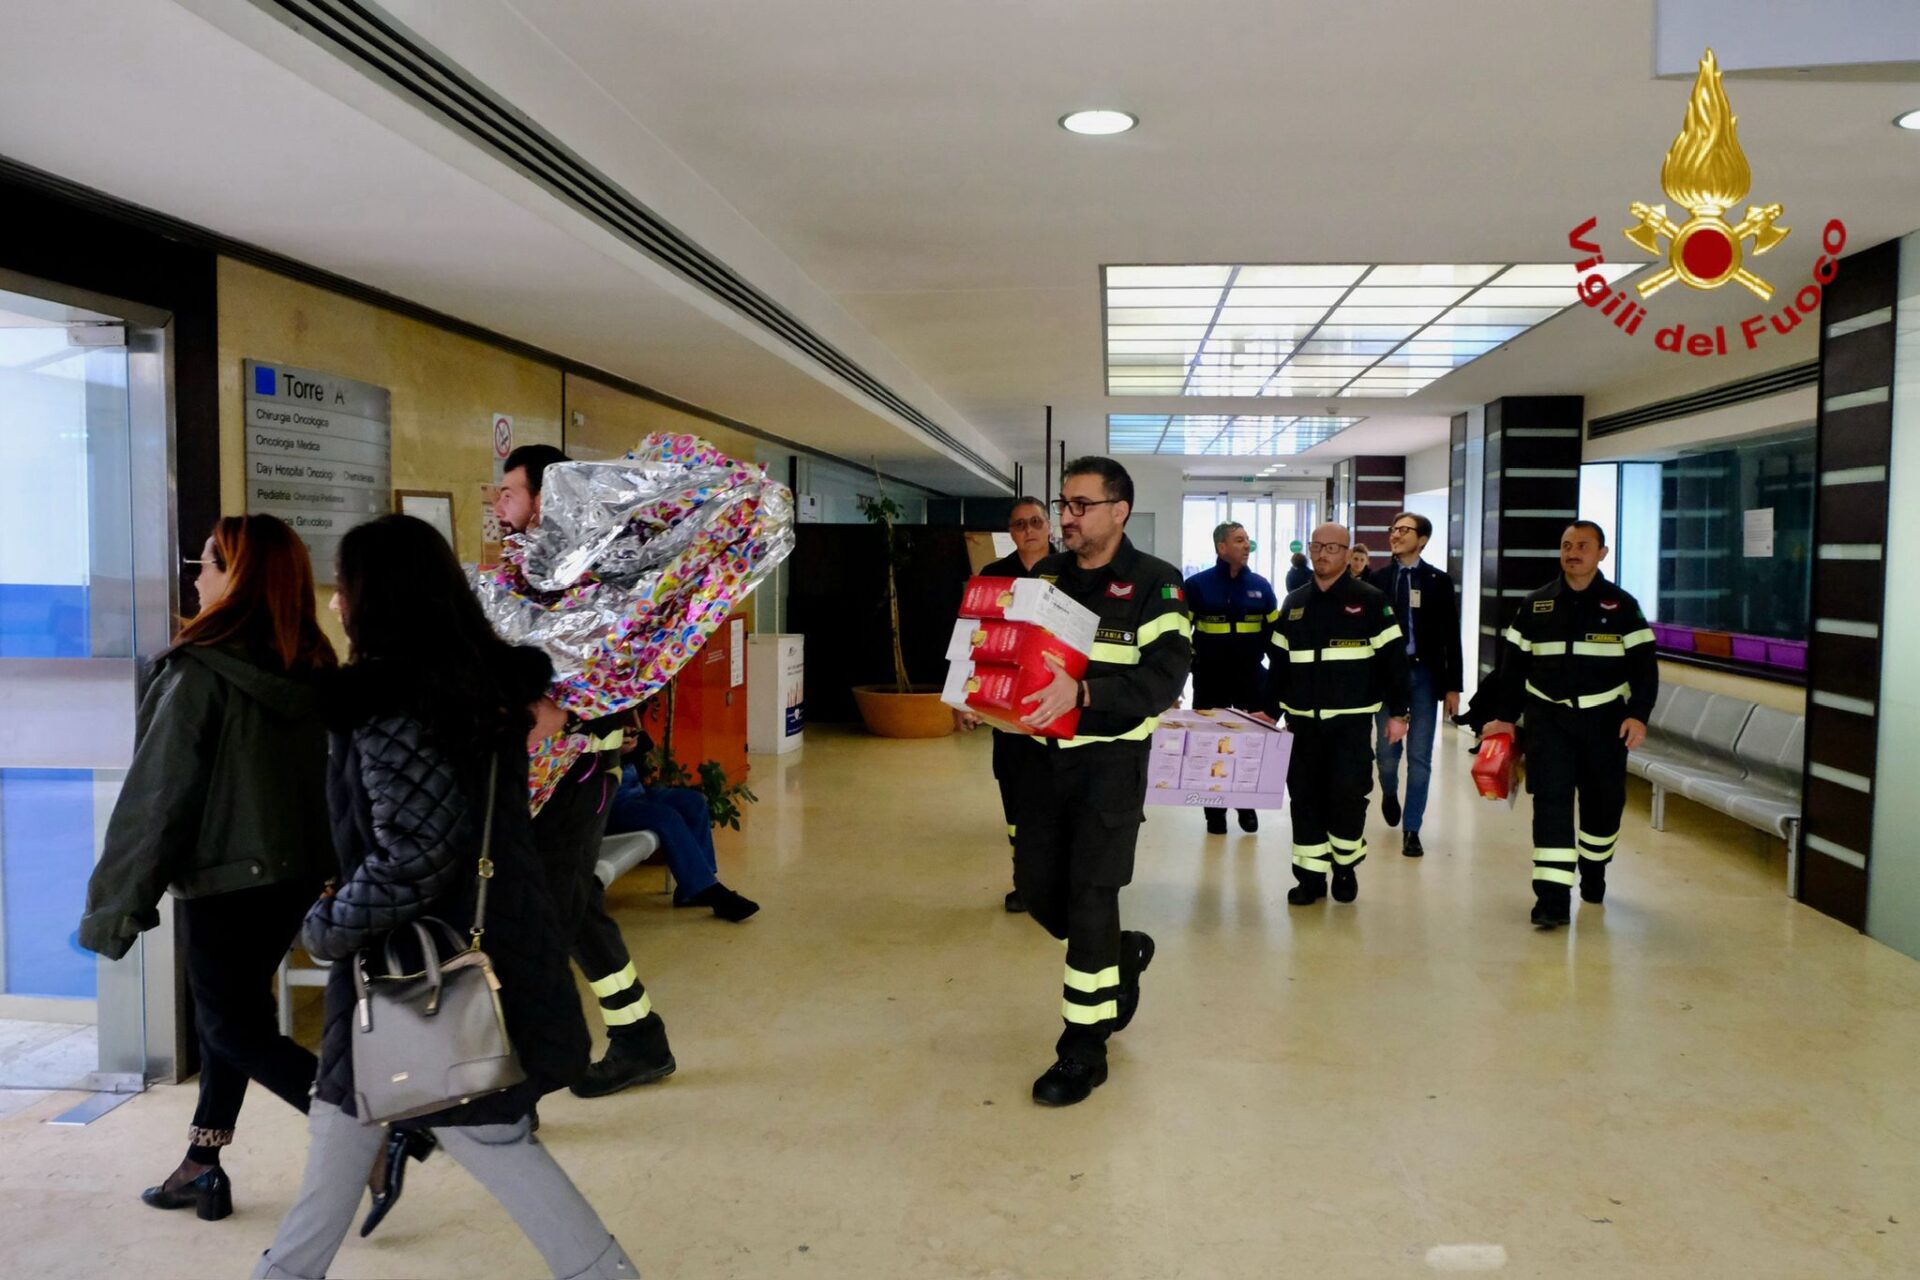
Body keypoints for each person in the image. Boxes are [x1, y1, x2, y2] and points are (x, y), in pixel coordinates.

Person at [250, 514, 634, 1280]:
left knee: (484, 1135)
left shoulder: (389, 701)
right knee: (343, 1119)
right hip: (451, 956)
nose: (335, 603)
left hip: (426, 970)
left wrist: (326, 925)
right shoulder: (482, 688)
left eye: (344, 585)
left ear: (377, 597)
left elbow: (416, 851)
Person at [78, 516, 336, 1222]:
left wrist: (113, 907)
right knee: (237, 1017)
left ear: (238, 578)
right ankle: (202, 1161)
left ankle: (363, 1126)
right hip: (293, 876)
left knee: (227, 1028)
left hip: (227, 877)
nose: (196, 576)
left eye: (208, 564)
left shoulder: (199, 672)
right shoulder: (312, 667)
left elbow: (157, 801)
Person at [1004, 456, 1191, 1107]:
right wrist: (983, 689)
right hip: (1040, 761)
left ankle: (1082, 1047)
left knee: (1089, 895)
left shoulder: (1155, 585)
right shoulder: (1046, 577)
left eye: (1081, 505)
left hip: (1109, 765)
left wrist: (1084, 690)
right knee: (1035, 889)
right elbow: (1015, 654)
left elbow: (1165, 682)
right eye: (1065, 504)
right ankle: (1121, 950)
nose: (1068, 517)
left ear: (1119, 511)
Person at [496, 444, 675, 1098]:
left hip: (580, 768)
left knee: (556, 907)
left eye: (509, 491)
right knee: (570, 905)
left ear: (545, 498)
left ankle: (621, 1040)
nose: (500, 504)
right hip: (541, 768)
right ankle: (638, 1035)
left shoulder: (591, 575)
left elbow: (613, 679)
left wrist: (568, 721)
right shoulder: (533, 570)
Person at [1478, 521, 1657, 929]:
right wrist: (1505, 718)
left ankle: (1594, 867)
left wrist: (1638, 714)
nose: (1572, 552)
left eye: (1582, 545)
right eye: (1566, 545)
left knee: (1604, 804)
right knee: (1551, 803)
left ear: (1602, 553)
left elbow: (1645, 668)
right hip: (1549, 720)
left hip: (1605, 722)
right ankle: (1553, 898)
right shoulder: (1536, 604)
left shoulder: (1622, 606)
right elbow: (1511, 669)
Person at [1263, 523, 1409, 906]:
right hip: (1302, 725)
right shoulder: (1294, 603)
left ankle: (1344, 867)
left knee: (1346, 796)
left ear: (1348, 554)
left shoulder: (1372, 601)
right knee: (1305, 799)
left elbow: (1394, 662)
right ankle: (1310, 878)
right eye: (1316, 546)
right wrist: (1266, 711)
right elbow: (1278, 665)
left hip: (1350, 724)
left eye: (1332, 547)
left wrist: (1400, 713)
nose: (1322, 553)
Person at [1366, 512, 1463, 858]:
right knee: (1387, 755)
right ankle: (1389, 792)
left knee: (1419, 756)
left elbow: (1451, 636)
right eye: (1393, 529)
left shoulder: (1437, 581)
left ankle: (1412, 828)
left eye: (1404, 530)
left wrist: (1454, 686)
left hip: (1424, 676)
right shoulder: (1377, 580)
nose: (1396, 535)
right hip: (1386, 677)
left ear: (1422, 539)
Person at [978, 496, 1053, 912]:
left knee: (1058, 797)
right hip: (1006, 701)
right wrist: (967, 699)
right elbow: (975, 635)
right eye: (1020, 524)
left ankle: (1059, 883)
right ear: (1011, 532)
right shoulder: (993, 575)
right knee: (1016, 800)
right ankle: (1025, 883)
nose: (1029, 530)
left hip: (1057, 699)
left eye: (1036, 522)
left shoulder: (1073, 572)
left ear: (1049, 527)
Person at [605, 726, 759, 921]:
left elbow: (645, 744)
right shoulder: (574, 720)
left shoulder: (609, 709)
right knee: (666, 817)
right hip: (606, 804)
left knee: (694, 803)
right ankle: (710, 891)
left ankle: (697, 887)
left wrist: (630, 740)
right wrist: (612, 749)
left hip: (635, 793)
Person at [1183, 521, 1278, 835]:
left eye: (1248, 540)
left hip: (1251, 677)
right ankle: (1215, 812)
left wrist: (1278, 679)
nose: (1246, 546)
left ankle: (1246, 805)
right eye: (1239, 540)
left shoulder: (1262, 586)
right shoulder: (1197, 586)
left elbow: (1274, 636)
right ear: (1221, 547)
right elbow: (1183, 636)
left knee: (1250, 744)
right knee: (1213, 745)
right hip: (1211, 678)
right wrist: (1184, 671)